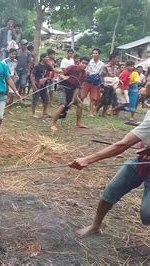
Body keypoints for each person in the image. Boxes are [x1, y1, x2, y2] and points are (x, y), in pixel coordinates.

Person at [69, 110, 150, 238]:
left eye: (146, 87)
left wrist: (87, 159)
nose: (144, 88)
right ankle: (95, 226)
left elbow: (122, 145)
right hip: (142, 160)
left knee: (147, 215)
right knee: (111, 190)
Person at [50, 56, 90, 131]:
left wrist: (73, 100)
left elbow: (77, 88)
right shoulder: (72, 67)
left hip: (72, 90)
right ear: (79, 62)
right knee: (62, 105)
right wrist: (63, 77)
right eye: (83, 63)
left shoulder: (84, 74)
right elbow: (61, 74)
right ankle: (53, 124)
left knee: (80, 104)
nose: (84, 65)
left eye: (86, 64)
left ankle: (78, 123)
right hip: (63, 88)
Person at [82, 48, 104, 117]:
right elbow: (84, 70)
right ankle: (79, 109)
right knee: (83, 96)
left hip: (95, 82)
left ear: (99, 55)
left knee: (93, 98)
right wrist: (86, 72)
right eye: (93, 53)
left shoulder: (101, 64)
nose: (94, 54)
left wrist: (101, 84)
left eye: (96, 53)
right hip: (87, 80)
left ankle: (90, 112)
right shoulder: (88, 62)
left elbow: (100, 74)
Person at [30, 53, 53, 118]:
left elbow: (53, 69)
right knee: (35, 99)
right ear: (42, 58)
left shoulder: (47, 65)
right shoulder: (37, 66)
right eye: (46, 57)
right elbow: (32, 75)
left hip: (44, 85)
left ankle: (45, 112)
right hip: (37, 84)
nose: (48, 58)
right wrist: (33, 84)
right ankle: (33, 113)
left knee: (46, 99)